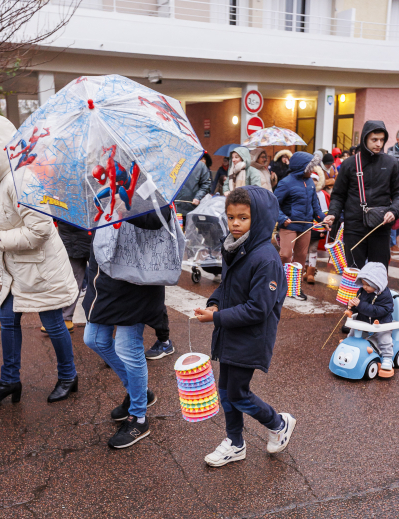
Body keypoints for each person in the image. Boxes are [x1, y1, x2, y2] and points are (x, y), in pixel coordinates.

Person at [194, 186, 296, 467]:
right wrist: (214, 303)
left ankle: (278, 423)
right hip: (230, 331)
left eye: (243, 218)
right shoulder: (236, 246)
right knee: (226, 390)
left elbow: (259, 309)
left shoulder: (265, 258)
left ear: (260, 218)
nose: (235, 223)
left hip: (250, 336)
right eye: (230, 217)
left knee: (238, 391)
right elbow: (226, 287)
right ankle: (235, 442)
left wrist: (215, 318)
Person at [0, 116, 79, 405]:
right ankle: (9, 380)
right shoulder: (2, 180)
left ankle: (69, 376)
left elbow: (41, 229)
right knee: (7, 320)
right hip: (15, 269)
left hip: (41, 268)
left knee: (53, 321)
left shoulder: (22, 178)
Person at [83, 206, 172, 449]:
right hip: (104, 277)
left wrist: (124, 205)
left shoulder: (148, 184)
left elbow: (158, 219)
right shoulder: (101, 183)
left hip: (135, 278)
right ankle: (139, 391)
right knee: (94, 339)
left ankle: (139, 417)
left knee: (127, 347)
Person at [324, 120, 399, 270]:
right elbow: (338, 195)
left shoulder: (392, 163)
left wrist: (393, 211)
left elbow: (398, 194)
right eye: (374, 140)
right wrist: (333, 214)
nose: (379, 144)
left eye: (382, 140)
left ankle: (375, 295)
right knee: (353, 274)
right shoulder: (349, 164)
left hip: (380, 227)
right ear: (365, 138)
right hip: (354, 227)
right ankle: (354, 295)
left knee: (377, 275)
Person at [274, 152, 325, 301]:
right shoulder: (285, 183)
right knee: (285, 255)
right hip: (289, 226)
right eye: (310, 168)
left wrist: (322, 218)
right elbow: (274, 204)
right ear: (301, 168)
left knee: (301, 258)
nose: (312, 171)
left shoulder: (309, 182)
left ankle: (295, 288)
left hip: (306, 226)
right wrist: (283, 218)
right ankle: (276, 285)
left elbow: (315, 203)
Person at [41, 222, 92, 333]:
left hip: (91, 239)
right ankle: (65, 317)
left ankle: (106, 317)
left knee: (99, 281)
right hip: (71, 240)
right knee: (71, 280)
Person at [347, 262, 394, 371]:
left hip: (382, 322)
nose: (364, 287)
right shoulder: (363, 291)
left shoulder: (385, 296)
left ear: (378, 284)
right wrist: (352, 306)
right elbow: (359, 306)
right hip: (365, 320)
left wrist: (360, 305)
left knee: (384, 337)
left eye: (368, 285)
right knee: (355, 331)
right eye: (363, 283)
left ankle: (387, 357)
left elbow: (378, 311)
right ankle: (350, 344)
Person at [304, 166, 328, 284]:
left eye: (315, 180)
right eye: (311, 180)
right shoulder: (305, 192)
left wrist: (323, 227)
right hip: (305, 225)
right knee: (304, 248)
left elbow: (324, 211)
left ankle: (310, 273)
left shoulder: (322, 195)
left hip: (317, 227)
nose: (313, 182)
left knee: (313, 248)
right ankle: (305, 270)